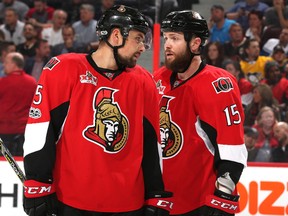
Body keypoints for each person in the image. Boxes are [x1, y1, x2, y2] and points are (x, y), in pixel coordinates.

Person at [22, 5, 172, 216]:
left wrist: (156, 193)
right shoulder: (63, 69)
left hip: (128, 204)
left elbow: (151, 142)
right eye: (138, 38)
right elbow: (40, 129)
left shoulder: (144, 81)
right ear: (117, 35)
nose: (143, 47)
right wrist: (37, 182)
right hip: (72, 201)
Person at [154, 10, 247, 216]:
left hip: (200, 203)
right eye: (166, 37)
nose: (167, 44)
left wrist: (223, 197)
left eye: (175, 38)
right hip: (164, 201)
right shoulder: (159, 78)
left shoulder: (217, 84)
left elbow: (232, 146)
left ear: (195, 43)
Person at [0, 52, 37, 156]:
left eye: (6, 62)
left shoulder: (2, 83)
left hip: (4, 132)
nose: (4, 65)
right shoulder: (32, 82)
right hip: (24, 132)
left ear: (14, 64)